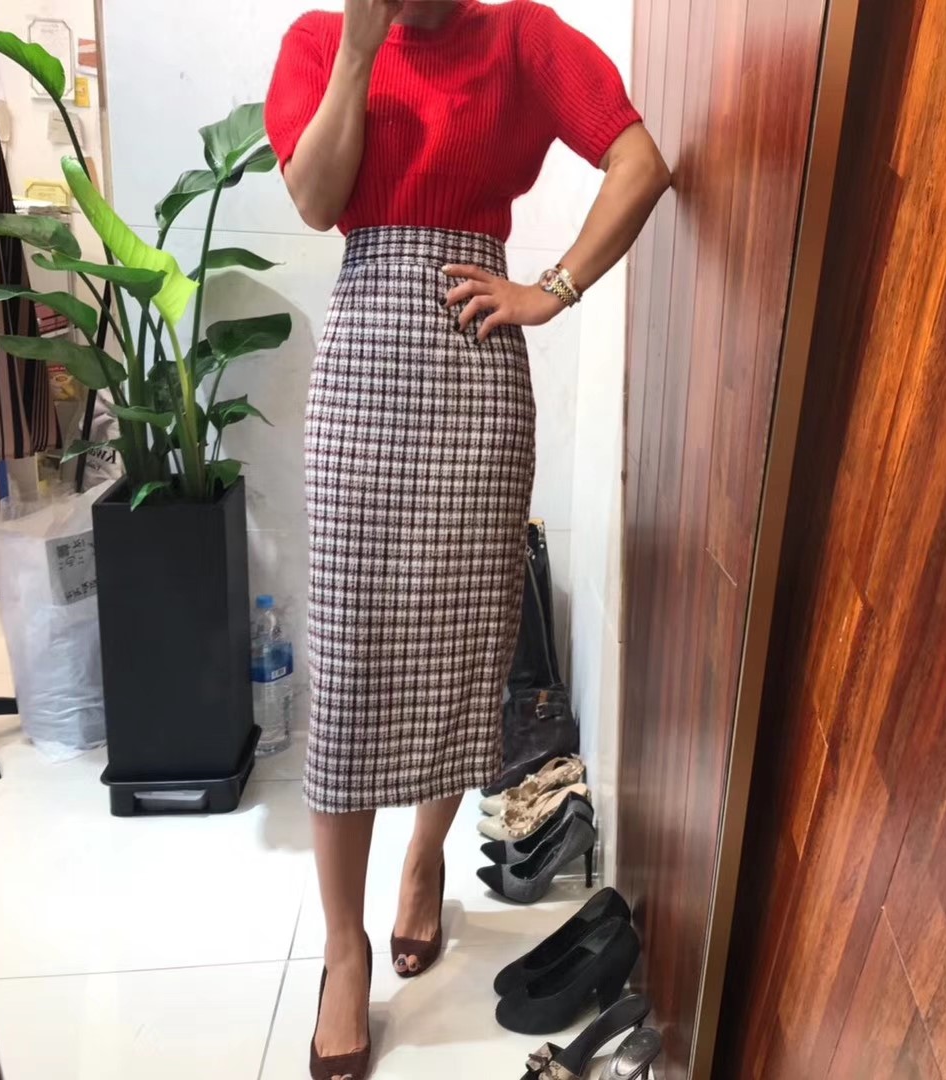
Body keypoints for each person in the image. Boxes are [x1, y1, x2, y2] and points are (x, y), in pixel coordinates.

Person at [264, 2, 668, 1076]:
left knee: (463, 652)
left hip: (475, 380)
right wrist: (361, 47)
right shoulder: (320, 42)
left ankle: (423, 859)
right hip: (362, 377)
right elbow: (315, 199)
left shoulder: (522, 39)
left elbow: (640, 163)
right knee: (351, 666)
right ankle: (343, 949)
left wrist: (552, 289)